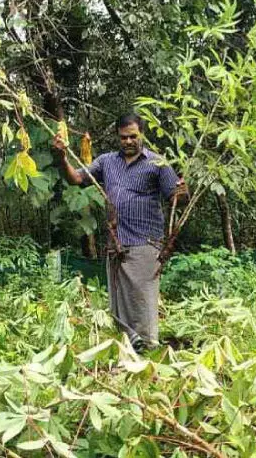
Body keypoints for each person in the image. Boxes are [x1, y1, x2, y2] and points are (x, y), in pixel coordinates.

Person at [51, 113, 188, 352]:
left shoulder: (157, 163)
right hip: (117, 243)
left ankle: (150, 350)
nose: (128, 142)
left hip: (146, 242)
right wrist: (61, 157)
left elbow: (176, 198)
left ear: (141, 134)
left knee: (143, 300)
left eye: (133, 136)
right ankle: (131, 349)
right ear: (118, 137)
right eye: (123, 137)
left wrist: (183, 192)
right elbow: (76, 178)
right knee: (119, 304)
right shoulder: (106, 162)